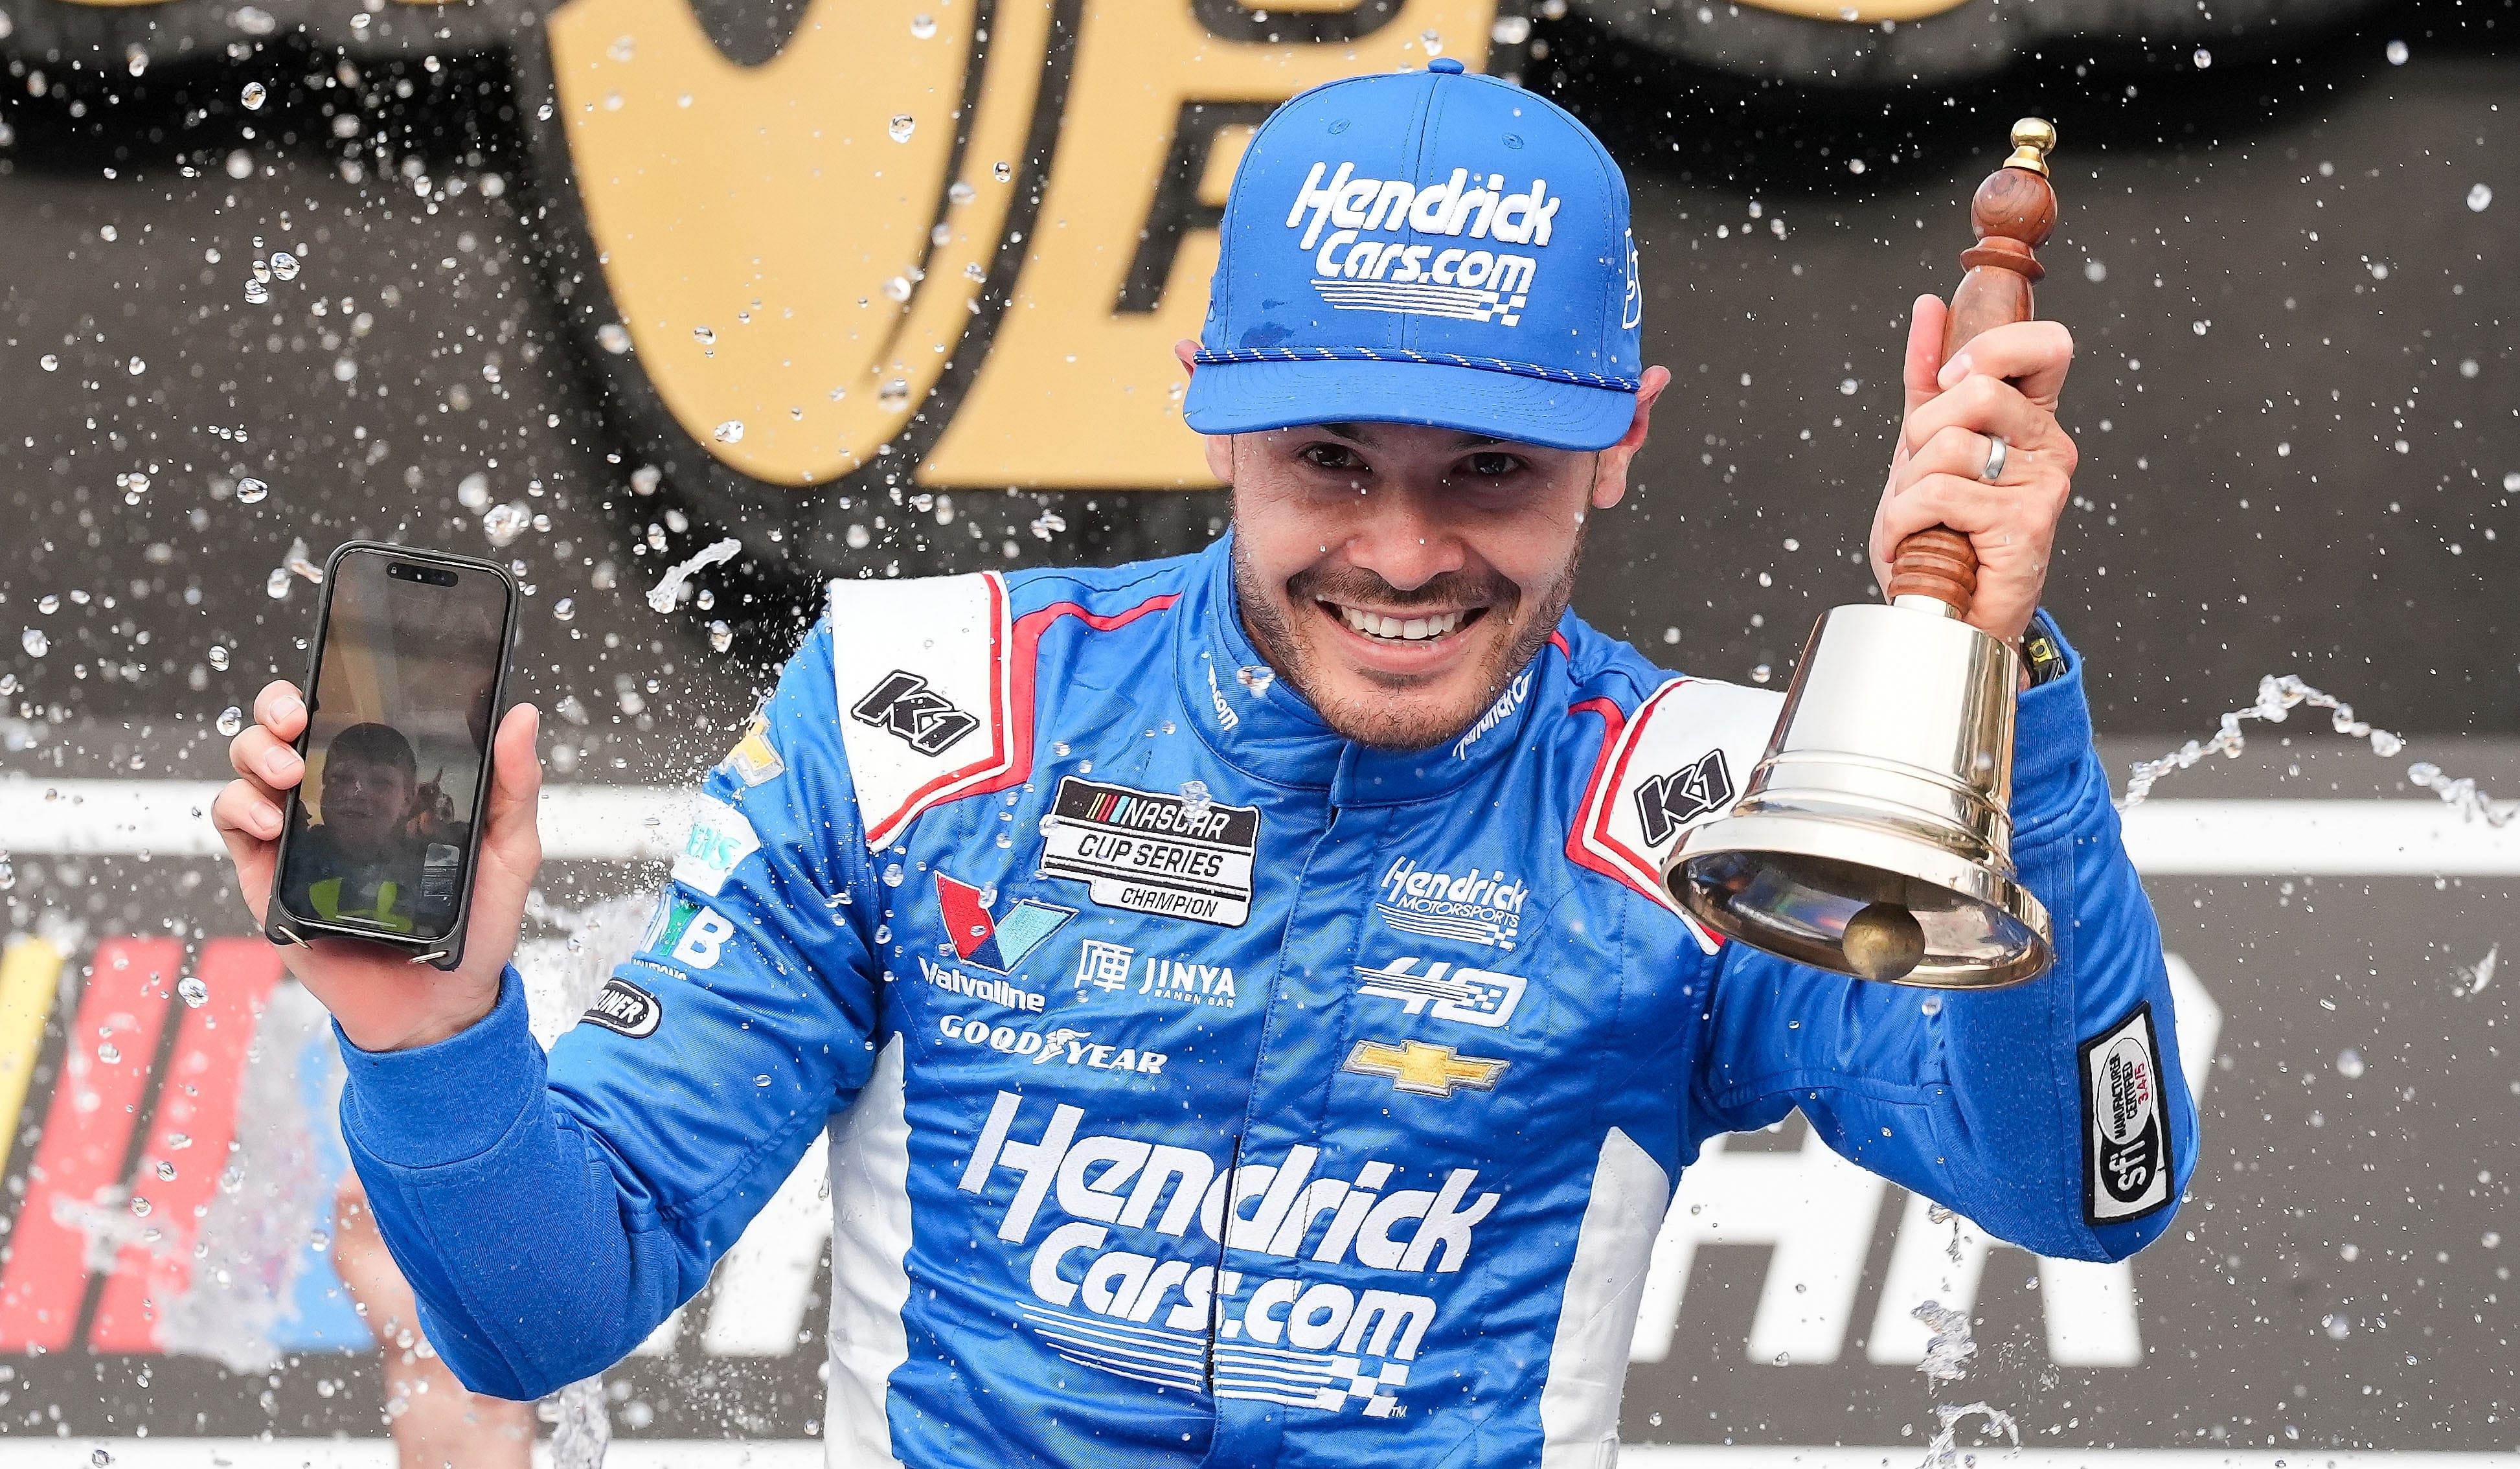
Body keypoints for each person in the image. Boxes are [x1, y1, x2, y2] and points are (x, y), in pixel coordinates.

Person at [212, 60, 2199, 1466]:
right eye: (1329, 458)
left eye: (1488, 472)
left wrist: (1990, 678)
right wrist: (428, 1026)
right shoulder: (923, 714)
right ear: (1208, 403)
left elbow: (2087, 1181)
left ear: (1622, 436)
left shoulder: (1701, 801)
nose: (1403, 553)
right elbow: (550, 1309)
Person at [280, 722, 464, 937]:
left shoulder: (437, 865)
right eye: (341, 778)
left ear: (408, 799)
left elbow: (438, 933)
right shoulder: (293, 855)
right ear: (323, 788)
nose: (357, 793)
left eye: (381, 782)